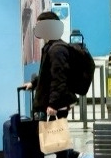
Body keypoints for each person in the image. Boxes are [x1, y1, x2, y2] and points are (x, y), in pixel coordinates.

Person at [26, 11, 78, 158]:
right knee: (54, 140)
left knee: (56, 140)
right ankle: (70, 155)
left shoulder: (57, 49)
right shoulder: (50, 47)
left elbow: (59, 79)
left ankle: (71, 155)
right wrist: (34, 83)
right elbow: (46, 73)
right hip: (50, 102)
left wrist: (53, 105)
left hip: (53, 104)